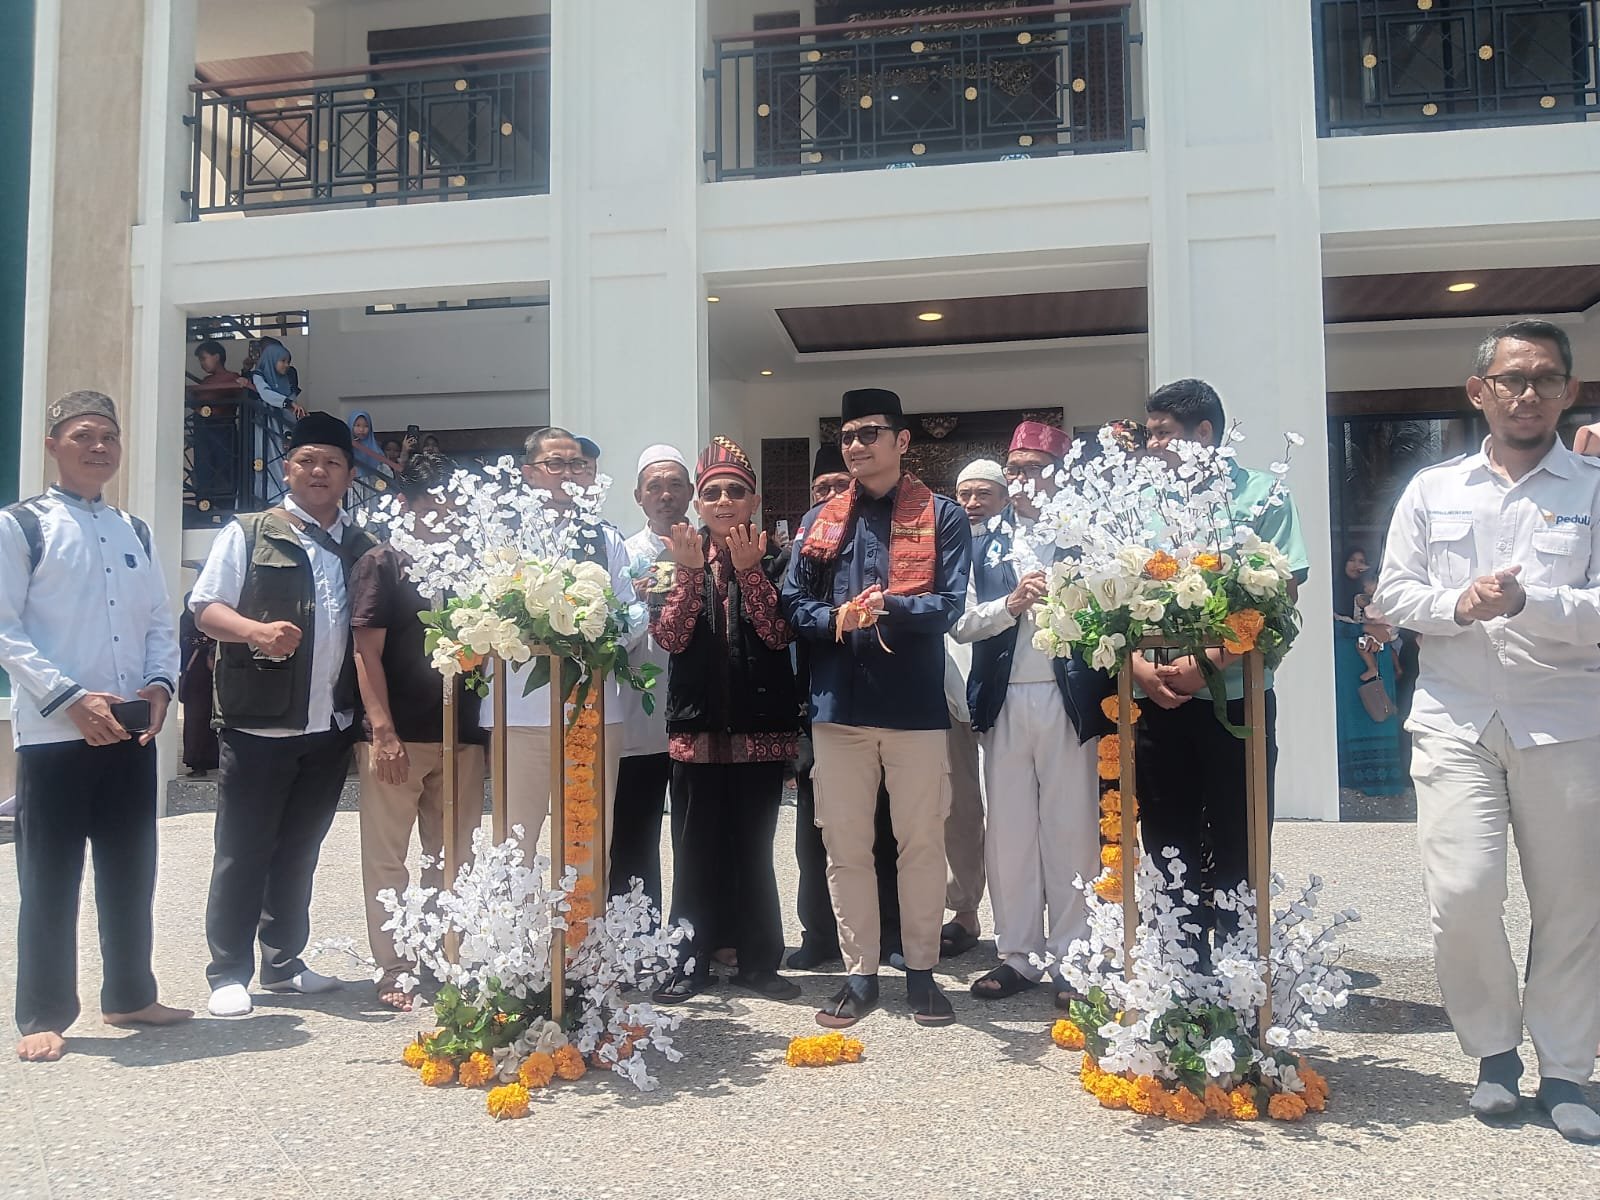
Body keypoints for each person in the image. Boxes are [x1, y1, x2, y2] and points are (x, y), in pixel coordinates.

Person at [1372, 319, 1600, 1142]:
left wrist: (1530, 603)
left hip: (1566, 719)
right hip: (1456, 717)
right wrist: (1456, 606)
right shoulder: (1435, 488)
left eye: (1545, 378)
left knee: (1574, 904)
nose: (1528, 392)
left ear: (1569, 390)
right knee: (1463, 893)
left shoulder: (1592, 487)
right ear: (1481, 392)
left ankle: (1569, 1068)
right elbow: (1393, 594)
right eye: (1513, 378)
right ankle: (1494, 1052)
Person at [1, 390, 192, 1062]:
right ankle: (45, 1012)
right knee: (50, 875)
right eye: (84, 435)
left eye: (109, 436)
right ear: (53, 444)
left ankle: (130, 994)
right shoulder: (21, 525)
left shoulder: (134, 530)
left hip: (130, 732)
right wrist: (71, 699)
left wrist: (161, 688)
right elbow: (7, 629)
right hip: (58, 733)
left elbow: (157, 623)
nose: (99, 447)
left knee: (130, 868)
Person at [783, 388, 972, 1028]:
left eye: (870, 433)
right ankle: (860, 972)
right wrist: (837, 616)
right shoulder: (820, 521)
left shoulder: (942, 515)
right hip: (838, 708)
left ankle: (920, 971)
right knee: (846, 846)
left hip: (913, 708)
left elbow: (948, 605)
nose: (857, 446)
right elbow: (793, 606)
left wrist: (886, 606)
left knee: (920, 841)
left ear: (901, 442)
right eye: (848, 436)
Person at [191, 411, 379, 1018]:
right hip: (259, 722)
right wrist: (252, 630)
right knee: (243, 846)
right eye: (307, 461)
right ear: (286, 468)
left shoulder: (361, 545)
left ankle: (283, 961)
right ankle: (227, 970)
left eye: (332, 462)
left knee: (301, 846)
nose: (319, 471)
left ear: (349, 474)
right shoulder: (249, 531)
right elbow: (205, 608)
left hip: (328, 724)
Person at [1134, 379, 1309, 958]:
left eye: (1163, 434)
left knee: (1239, 835)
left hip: (1238, 700)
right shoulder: (1140, 505)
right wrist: (1138, 667)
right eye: (1149, 433)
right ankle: (1175, 973)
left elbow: (1278, 594)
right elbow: (1109, 603)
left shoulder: (1262, 496)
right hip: (1156, 698)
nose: (1152, 446)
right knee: (1165, 836)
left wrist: (1208, 664)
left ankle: (1239, 976)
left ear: (1204, 433)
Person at [954, 425, 1110, 1006]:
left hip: (1070, 698)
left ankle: (1075, 957)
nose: (1021, 480)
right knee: (1010, 835)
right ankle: (1018, 955)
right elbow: (961, 621)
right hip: (1004, 697)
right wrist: (1010, 605)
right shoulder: (978, 541)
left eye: (1034, 468)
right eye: (1014, 468)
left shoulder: (1088, 539)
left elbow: (1111, 617)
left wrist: (1069, 603)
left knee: (1071, 831)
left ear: (1060, 473)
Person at [650, 438, 802, 1003]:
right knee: (693, 850)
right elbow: (669, 636)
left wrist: (752, 572)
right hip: (695, 728)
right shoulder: (678, 554)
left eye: (734, 492)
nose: (723, 501)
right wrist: (691, 574)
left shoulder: (780, 556)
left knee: (754, 849)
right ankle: (687, 961)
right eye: (712, 493)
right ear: (699, 502)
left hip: (761, 727)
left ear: (753, 500)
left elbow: (780, 633)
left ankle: (760, 962)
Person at [351, 451, 486, 1010]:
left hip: (463, 734)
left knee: (454, 854)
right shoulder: (385, 563)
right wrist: (382, 729)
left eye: (456, 501)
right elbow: (366, 649)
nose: (448, 512)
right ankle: (395, 965)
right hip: (399, 733)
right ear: (405, 504)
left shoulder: (477, 564)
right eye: (435, 501)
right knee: (388, 856)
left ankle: (447, 956)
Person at [484, 427, 641, 857]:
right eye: (555, 464)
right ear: (529, 473)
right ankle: (517, 925)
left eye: (576, 464)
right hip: (518, 708)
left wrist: (592, 633)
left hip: (591, 706)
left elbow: (631, 614)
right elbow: (484, 612)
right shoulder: (501, 537)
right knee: (515, 842)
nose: (567, 474)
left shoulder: (606, 538)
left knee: (587, 840)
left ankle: (582, 926)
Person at [783, 443, 902, 972]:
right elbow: (791, 617)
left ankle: (890, 935)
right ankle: (820, 933)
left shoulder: (887, 532)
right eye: (822, 488)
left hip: (887, 697)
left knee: (886, 824)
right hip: (822, 701)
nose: (832, 497)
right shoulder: (809, 538)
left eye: (839, 485)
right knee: (819, 827)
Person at [616, 444, 694, 910]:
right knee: (633, 831)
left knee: (696, 834)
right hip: (638, 718)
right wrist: (638, 603)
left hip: (695, 713)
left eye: (675, 485)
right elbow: (606, 637)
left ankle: (695, 937)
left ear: (689, 494)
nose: (665, 495)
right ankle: (635, 939)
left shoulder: (707, 549)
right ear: (639, 497)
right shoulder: (621, 556)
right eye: (655, 487)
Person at [940, 457, 1010, 958]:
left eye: (983, 493)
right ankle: (964, 912)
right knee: (960, 806)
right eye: (964, 494)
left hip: (1010, 690)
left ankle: (1020, 924)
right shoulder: (944, 546)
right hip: (951, 690)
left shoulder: (1017, 546)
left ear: (1004, 496)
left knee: (1011, 808)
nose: (972, 503)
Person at [1333, 547, 1405, 796]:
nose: (1356, 565)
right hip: (1345, 665)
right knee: (1351, 717)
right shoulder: (1334, 593)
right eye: (1351, 559)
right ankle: (1350, 781)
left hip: (1378, 658)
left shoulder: (1378, 600)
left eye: (1362, 561)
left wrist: (1372, 631)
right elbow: (1332, 626)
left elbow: (1388, 631)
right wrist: (1363, 629)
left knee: (1379, 712)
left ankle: (1383, 785)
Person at [179, 597, 219, 777]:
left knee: (208, 719)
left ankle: (209, 758)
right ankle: (197, 761)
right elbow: (188, 642)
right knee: (196, 719)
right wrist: (208, 640)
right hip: (196, 677)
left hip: (209, 677)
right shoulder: (186, 622)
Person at [347, 411, 393, 481]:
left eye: (366, 426)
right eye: (357, 425)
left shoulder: (375, 449)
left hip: (372, 485)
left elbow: (386, 473)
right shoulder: (346, 448)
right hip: (351, 484)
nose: (361, 430)